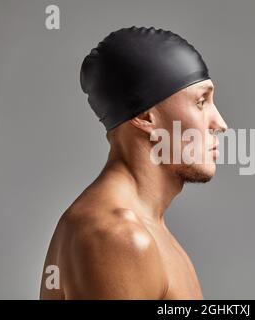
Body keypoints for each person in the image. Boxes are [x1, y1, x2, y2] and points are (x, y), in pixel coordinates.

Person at [40, 27, 228, 299]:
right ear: (146, 117)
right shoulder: (117, 237)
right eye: (201, 102)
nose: (220, 124)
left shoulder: (151, 233)